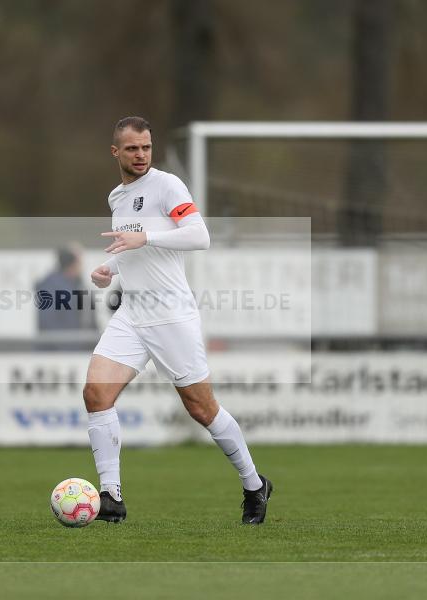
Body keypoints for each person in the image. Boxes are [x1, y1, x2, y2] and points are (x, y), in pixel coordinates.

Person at [85, 116, 272, 525]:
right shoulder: (117, 196)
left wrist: (146, 237)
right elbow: (131, 249)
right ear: (116, 152)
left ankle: (254, 484)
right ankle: (111, 497)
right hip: (133, 312)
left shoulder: (168, 185)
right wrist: (109, 268)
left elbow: (199, 235)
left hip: (171, 314)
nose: (141, 155)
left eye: (146, 147)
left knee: (202, 409)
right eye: (132, 148)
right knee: (96, 394)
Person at [34, 244, 98, 350]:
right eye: (79, 261)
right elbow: (49, 323)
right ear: (72, 263)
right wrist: (70, 348)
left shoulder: (77, 285)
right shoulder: (52, 287)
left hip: (76, 351)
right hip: (58, 354)